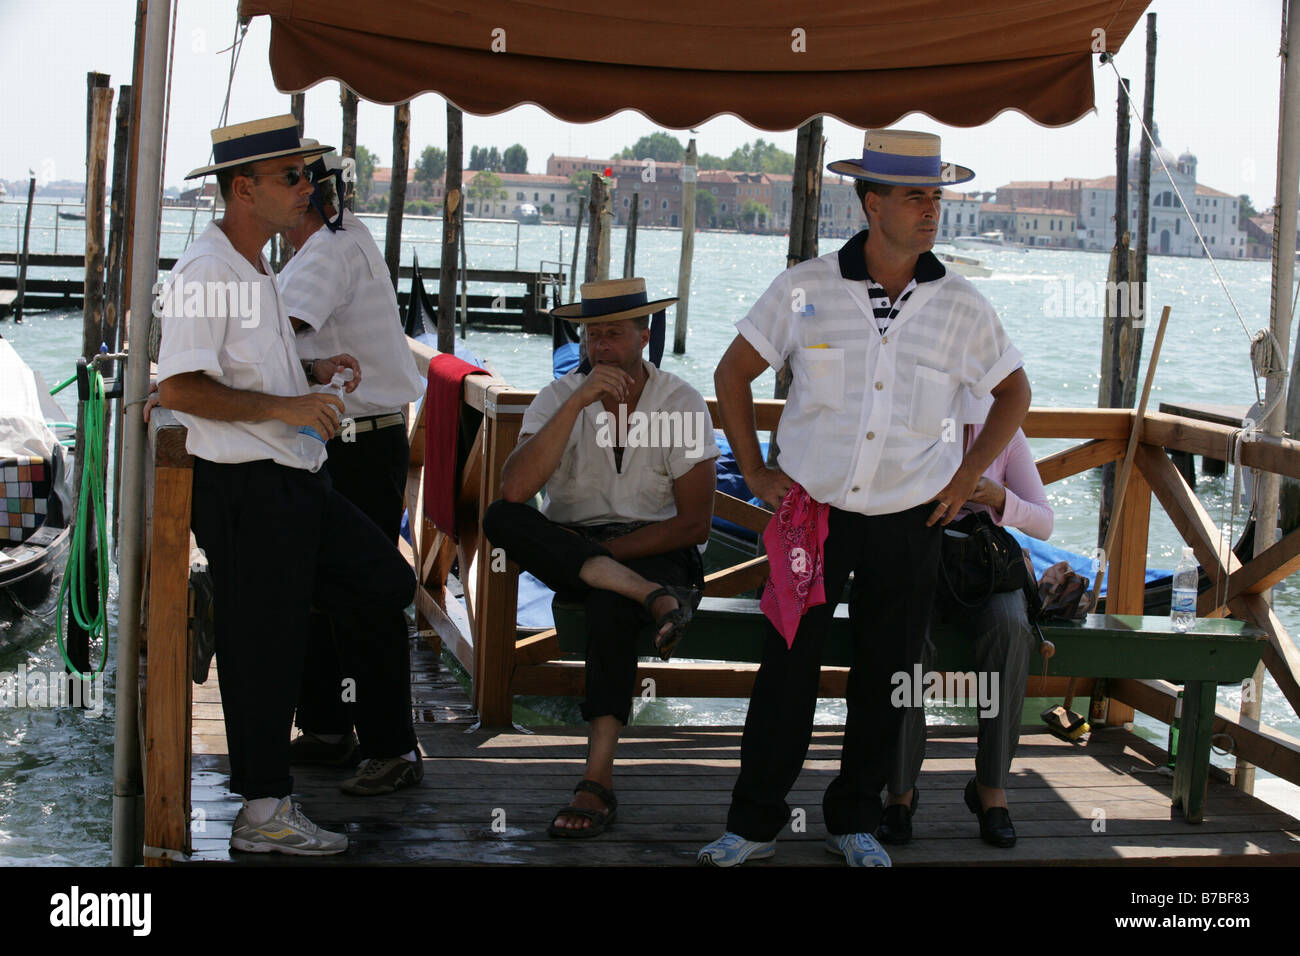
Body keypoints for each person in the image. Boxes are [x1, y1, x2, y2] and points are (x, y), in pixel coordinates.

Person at [699, 129, 1031, 867]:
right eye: (915, 196)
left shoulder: (963, 304)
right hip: (810, 516)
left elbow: (1014, 393)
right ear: (871, 202)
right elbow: (730, 374)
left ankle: (857, 820)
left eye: (937, 196)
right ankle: (752, 823)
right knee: (787, 667)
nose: (931, 210)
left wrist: (964, 475)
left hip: (911, 519)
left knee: (888, 677)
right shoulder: (804, 287)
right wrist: (753, 472)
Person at [154, 115, 421, 856]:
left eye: (308, 174)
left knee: (384, 584)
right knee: (267, 646)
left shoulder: (257, 264)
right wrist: (287, 405)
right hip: (248, 488)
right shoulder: (208, 270)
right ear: (243, 189)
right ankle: (262, 812)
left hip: (294, 481)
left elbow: (241, 371)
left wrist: (308, 372)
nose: (308, 189)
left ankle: (228, 607)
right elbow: (178, 386)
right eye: (291, 177)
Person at [482, 278, 719, 838]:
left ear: (645, 334)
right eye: (592, 335)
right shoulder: (559, 395)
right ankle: (650, 599)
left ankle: (597, 779)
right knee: (499, 517)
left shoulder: (678, 400)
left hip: (656, 546)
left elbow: (694, 522)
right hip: (580, 547)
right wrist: (579, 401)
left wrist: (601, 556)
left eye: (615, 333)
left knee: (611, 607)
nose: (602, 345)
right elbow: (514, 490)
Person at [278, 145, 426, 773]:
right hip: (349, 438)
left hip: (356, 444)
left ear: (306, 192)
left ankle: (391, 748)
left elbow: (271, 335)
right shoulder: (335, 245)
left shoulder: (329, 252)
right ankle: (331, 727)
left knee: (361, 592)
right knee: (321, 587)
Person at [878, 418, 1052, 849]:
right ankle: (899, 790)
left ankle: (991, 789)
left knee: (1012, 630)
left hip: (981, 562)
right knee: (909, 641)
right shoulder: (915, 414)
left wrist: (1000, 498)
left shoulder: (1005, 431)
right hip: (917, 550)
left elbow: (1044, 521)